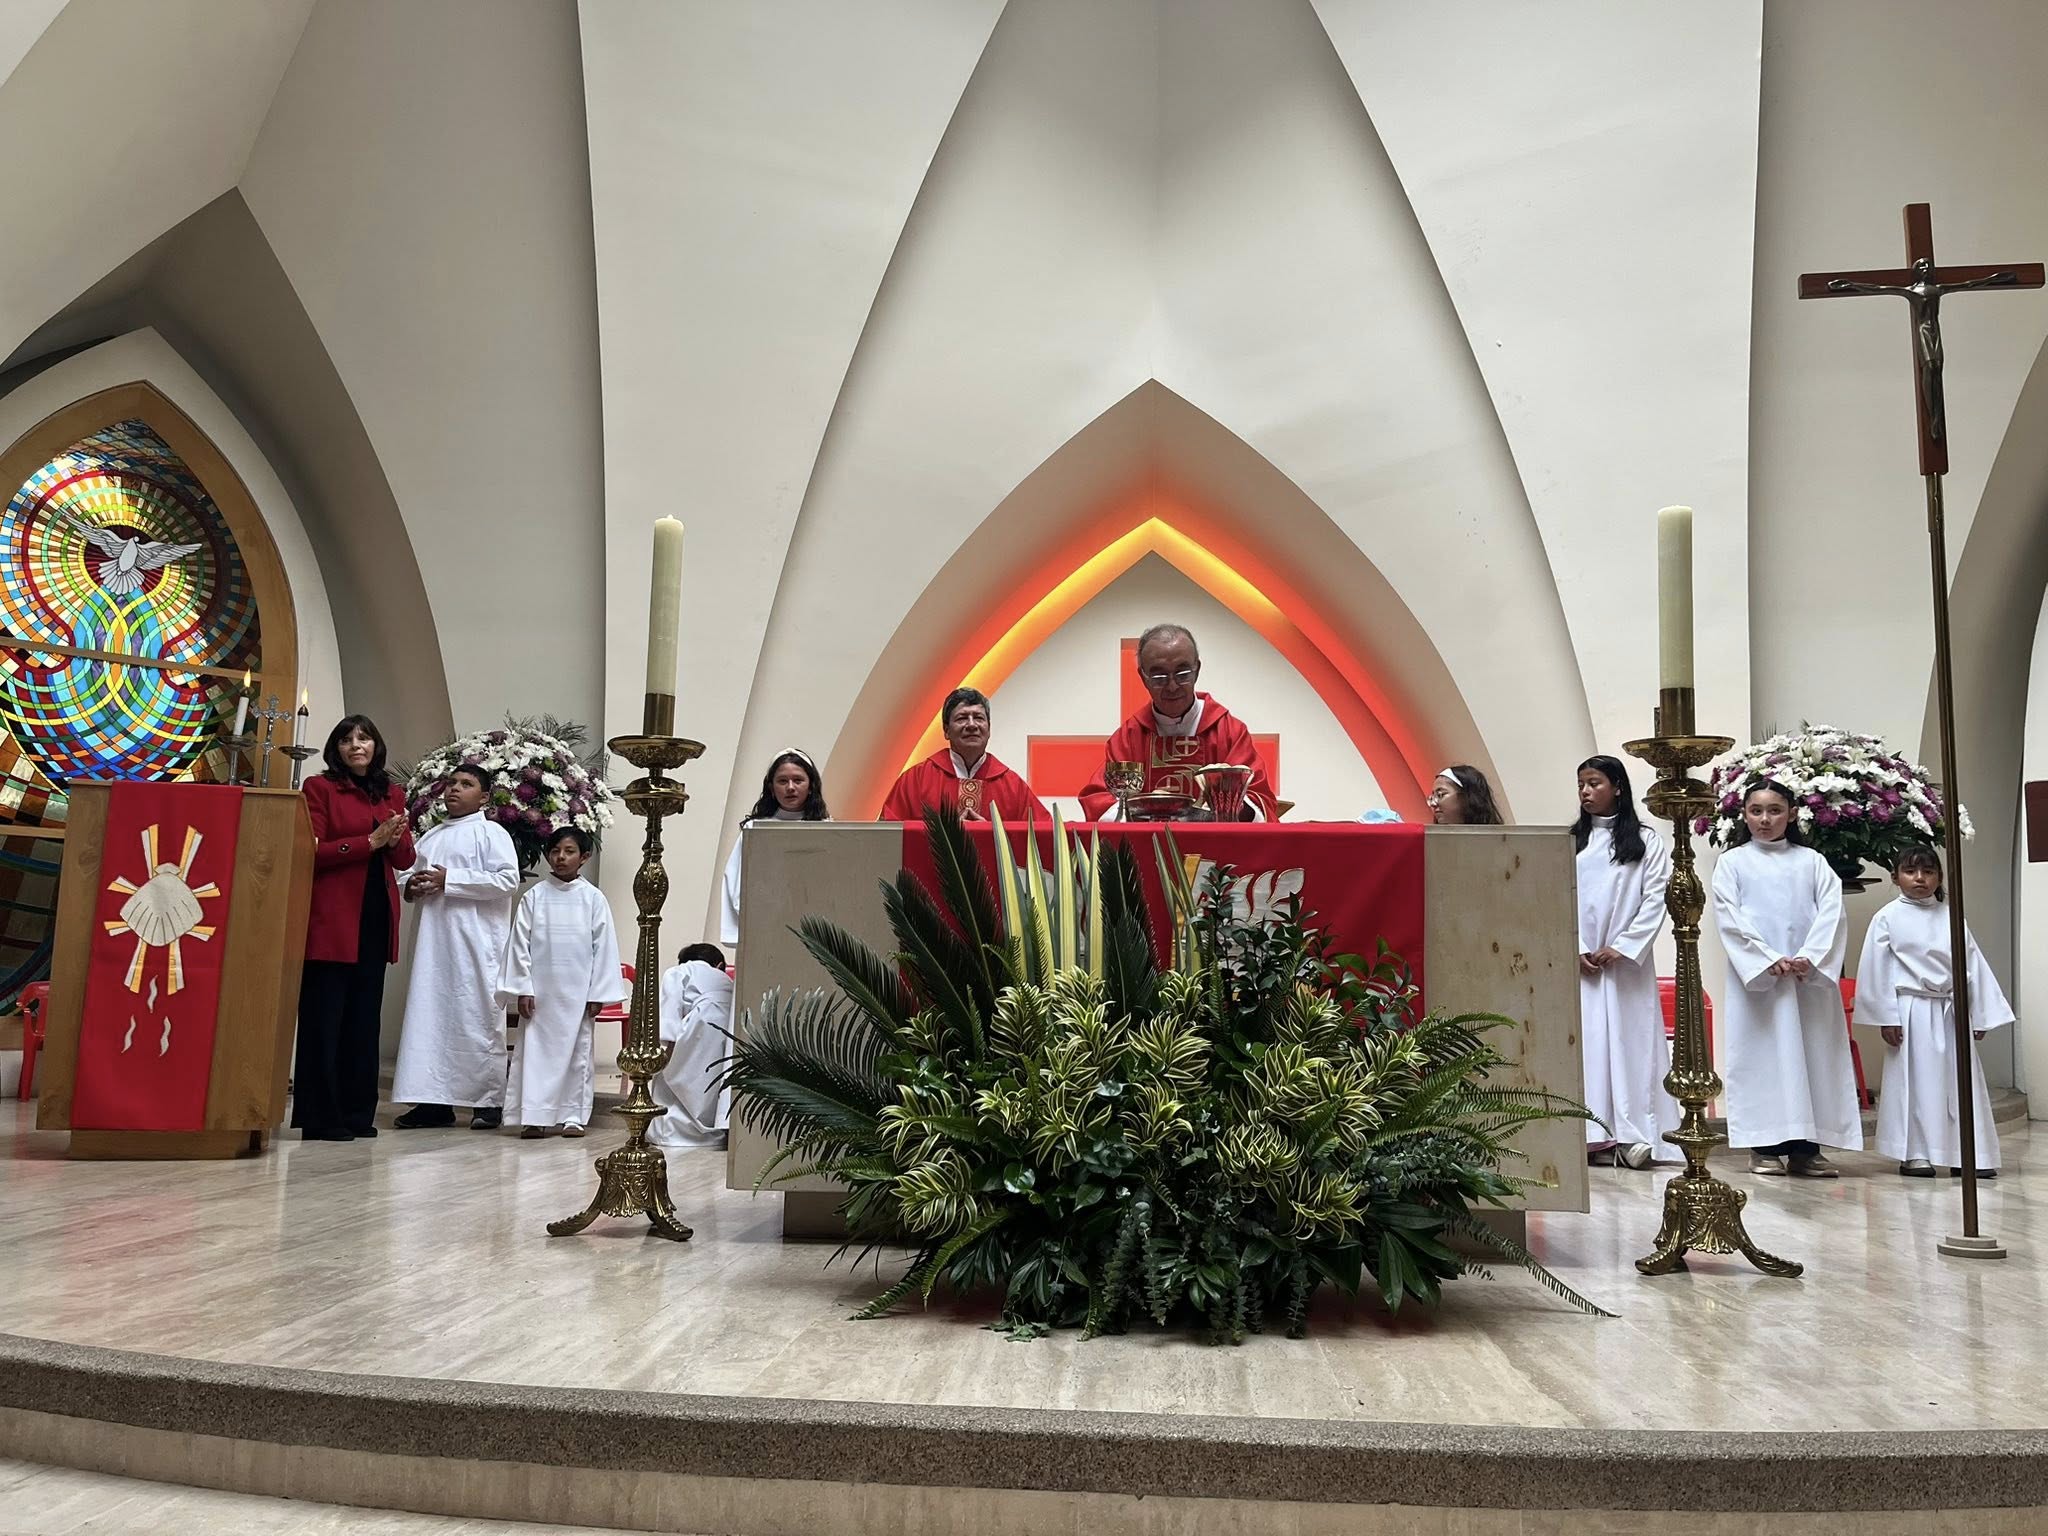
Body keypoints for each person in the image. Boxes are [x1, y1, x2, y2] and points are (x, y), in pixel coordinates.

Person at [1710, 778, 1860, 1178]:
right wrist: (1767, 957)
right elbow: (1729, 916)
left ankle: (1807, 1149)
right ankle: (1764, 1147)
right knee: (1764, 1059)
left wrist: (1811, 958)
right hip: (1760, 984)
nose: (1765, 819)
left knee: (1812, 1057)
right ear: (1743, 815)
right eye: (1756, 811)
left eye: (1775, 810)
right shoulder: (1733, 862)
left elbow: (1831, 912)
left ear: (1791, 814)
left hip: (1805, 980)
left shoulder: (1811, 862)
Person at [294, 716, 415, 1142]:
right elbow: (312, 852)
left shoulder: (392, 792)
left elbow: (404, 861)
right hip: (331, 919)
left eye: (364, 738)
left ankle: (357, 1113)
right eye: (346, 739)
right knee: (325, 1019)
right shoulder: (320, 788)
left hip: (375, 916)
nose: (356, 745)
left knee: (364, 1019)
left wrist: (397, 837)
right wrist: (369, 842)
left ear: (376, 745)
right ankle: (321, 1117)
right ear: (336, 749)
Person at [1858, 846, 2011, 1179]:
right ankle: (1916, 1153)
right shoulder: (1887, 917)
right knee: (1914, 1081)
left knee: (1961, 1082)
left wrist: (1979, 1013)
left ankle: (1968, 1153)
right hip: (1911, 1009)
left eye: (1928, 872)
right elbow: (1876, 969)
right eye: (1911, 871)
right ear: (1895, 877)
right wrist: (1887, 1016)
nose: (1919, 879)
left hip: (1950, 1009)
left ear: (1939, 878)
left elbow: (1972, 965)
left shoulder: (1950, 915)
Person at [390, 764, 521, 1131]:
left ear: (483, 797)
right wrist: (412, 887)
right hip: (434, 944)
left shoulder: (491, 833)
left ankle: (487, 1101)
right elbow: (405, 877)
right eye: (451, 783)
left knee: (476, 1016)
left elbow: (507, 880)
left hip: (476, 943)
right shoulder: (430, 836)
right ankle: (433, 1102)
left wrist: (452, 879)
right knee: (428, 1018)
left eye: (466, 784)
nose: (454, 790)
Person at [1572, 756, 1677, 1169]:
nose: (1584, 792)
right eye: (1580, 784)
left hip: (1626, 966)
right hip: (1581, 965)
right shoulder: (1571, 842)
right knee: (1589, 1047)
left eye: (1593, 782)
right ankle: (1589, 1135)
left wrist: (1625, 945)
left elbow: (1656, 897)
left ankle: (1634, 1135)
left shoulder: (1646, 841)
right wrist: (1575, 946)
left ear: (1617, 786)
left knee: (1631, 1045)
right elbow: (1558, 894)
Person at [498, 826, 629, 1137]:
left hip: (578, 992)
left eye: (569, 852)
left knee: (577, 1052)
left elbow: (604, 947)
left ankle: (573, 1115)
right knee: (535, 1052)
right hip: (540, 993)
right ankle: (534, 1116)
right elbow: (519, 945)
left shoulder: (593, 899)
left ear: (583, 857)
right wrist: (523, 989)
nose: (560, 857)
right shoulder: (534, 897)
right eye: (555, 851)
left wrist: (599, 992)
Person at [1078, 624, 1276, 820]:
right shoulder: (1129, 738)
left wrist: (1230, 803)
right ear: (1143, 677)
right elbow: (1099, 800)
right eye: (1159, 676)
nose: (1172, 686)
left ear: (1197, 670)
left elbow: (1260, 800)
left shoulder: (1229, 732)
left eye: (1182, 674)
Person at [881, 687, 1050, 823]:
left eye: (978, 717)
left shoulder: (1012, 786)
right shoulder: (915, 780)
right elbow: (886, 837)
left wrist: (991, 835)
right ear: (946, 731)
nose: (971, 725)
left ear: (989, 729)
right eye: (962, 718)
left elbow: (1043, 836)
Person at [719, 749, 828, 947]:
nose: (790, 787)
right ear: (771, 787)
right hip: (764, 930)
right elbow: (736, 881)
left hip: (816, 934)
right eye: (782, 781)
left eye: (798, 780)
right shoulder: (755, 830)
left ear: (811, 785)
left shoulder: (827, 829)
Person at [648, 942, 734, 1151]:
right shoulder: (727, 979)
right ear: (719, 964)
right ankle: (711, 1132)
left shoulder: (679, 971)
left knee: (669, 1077)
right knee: (712, 1083)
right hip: (727, 1028)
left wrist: (664, 1048)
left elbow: (670, 1007)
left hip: (699, 1023)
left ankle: (673, 1133)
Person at [1429, 765, 1503, 825]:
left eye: (1440, 795)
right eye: (1432, 797)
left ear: (1467, 796)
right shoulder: (1430, 842)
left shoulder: (1498, 841)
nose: (1433, 804)